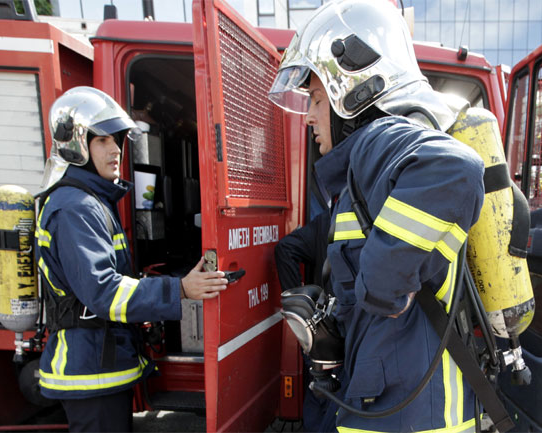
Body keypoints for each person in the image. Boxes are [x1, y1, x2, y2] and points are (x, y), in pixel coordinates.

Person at [269, 1, 486, 432]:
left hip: (413, 416)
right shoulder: (363, 170)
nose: (310, 116)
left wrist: (380, 289)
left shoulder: (378, 139)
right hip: (402, 405)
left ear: (356, 92)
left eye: (315, 99)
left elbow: (454, 169)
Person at [34, 87, 227, 432]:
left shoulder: (89, 201)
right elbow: (104, 293)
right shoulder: (76, 208)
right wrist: (180, 289)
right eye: (103, 141)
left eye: (118, 141)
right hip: (89, 370)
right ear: (76, 146)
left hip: (98, 364)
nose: (115, 151)